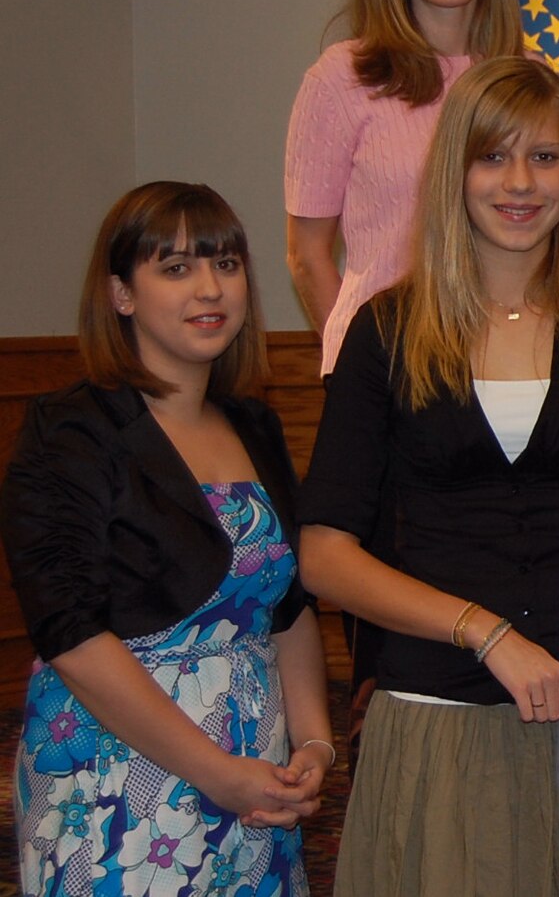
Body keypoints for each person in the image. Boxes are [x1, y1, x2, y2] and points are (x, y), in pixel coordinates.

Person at [296, 57, 559, 896]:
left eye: (545, 157)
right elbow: (325, 554)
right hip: (437, 720)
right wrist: (486, 634)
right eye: (492, 157)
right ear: (455, 172)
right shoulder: (385, 334)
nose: (519, 183)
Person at [5, 182, 332, 895]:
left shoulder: (254, 424)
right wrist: (214, 771)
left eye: (226, 262)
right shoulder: (71, 430)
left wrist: (313, 741)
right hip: (119, 770)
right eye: (176, 268)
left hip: (256, 769)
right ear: (122, 294)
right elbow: (69, 632)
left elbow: (287, 607)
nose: (210, 287)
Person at [286, 0, 524, 375]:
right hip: (385, 372)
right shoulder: (340, 78)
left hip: (507, 367)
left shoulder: (527, 77)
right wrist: (360, 371)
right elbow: (306, 256)